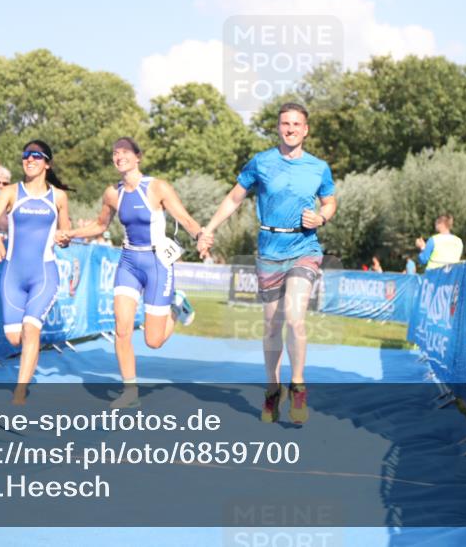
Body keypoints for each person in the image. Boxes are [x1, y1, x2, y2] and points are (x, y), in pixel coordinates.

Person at [199, 102, 336, 424]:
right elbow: (235, 197)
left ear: (305, 130)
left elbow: (329, 201)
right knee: (272, 325)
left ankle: (298, 385)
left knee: (294, 317)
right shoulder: (261, 162)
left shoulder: (319, 167)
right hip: (269, 251)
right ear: (278, 128)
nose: (290, 129)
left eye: (296, 124)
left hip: (304, 246)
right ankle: (273, 389)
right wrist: (210, 228)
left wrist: (321, 217)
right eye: (285, 124)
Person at [57, 137, 201, 409]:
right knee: (122, 329)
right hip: (129, 262)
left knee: (153, 341)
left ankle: (176, 306)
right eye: (114, 153)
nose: (119, 156)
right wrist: (72, 233)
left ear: (138, 157)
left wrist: (200, 235)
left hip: (158, 263)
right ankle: (130, 391)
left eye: (124, 152)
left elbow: (185, 219)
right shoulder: (112, 193)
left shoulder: (157, 187)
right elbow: (100, 225)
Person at [0, 140, 72, 405]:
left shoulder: (58, 197)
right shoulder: (10, 192)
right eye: (25, 155)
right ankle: (28, 359)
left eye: (36, 156)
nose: (29, 159)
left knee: (31, 329)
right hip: (13, 274)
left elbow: (64, 233)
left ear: (47, 163)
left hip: (44, 274)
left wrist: (64, 238)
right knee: (14, 338)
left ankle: (19, 392)